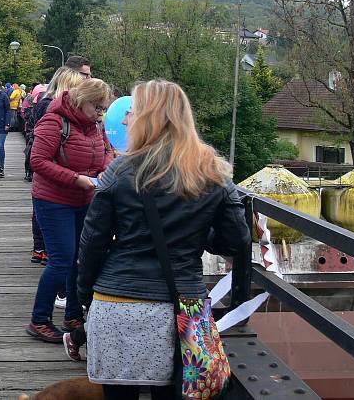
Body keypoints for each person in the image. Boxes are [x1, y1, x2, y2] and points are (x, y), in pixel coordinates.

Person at [75, 79, 250, 399]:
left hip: (118, 303)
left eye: (132, 112)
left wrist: (84, 298)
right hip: (179, 310)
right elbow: (236, 241)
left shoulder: (119, 171)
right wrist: (194, 232)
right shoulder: (212, 171)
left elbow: (92, 245)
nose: (126, 119)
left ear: (146, 118)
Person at [26, 78, 114, 343]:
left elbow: (107, 150)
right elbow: (37, 161)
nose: (100, 113)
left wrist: (104, 168)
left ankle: (73, 316)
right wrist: (74, 178)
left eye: (103, 108)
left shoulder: (95, 125)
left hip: (84, 198)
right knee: (61, 260)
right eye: (96, 107)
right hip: (53, 200)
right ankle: (39, 320)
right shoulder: (54, 121)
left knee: (80, 258)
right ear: (81, 100)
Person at [26, 67, 85, 265]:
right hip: (54, 183)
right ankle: (42, 247)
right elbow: (41, 155)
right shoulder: (50, 107)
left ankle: (43, 248)